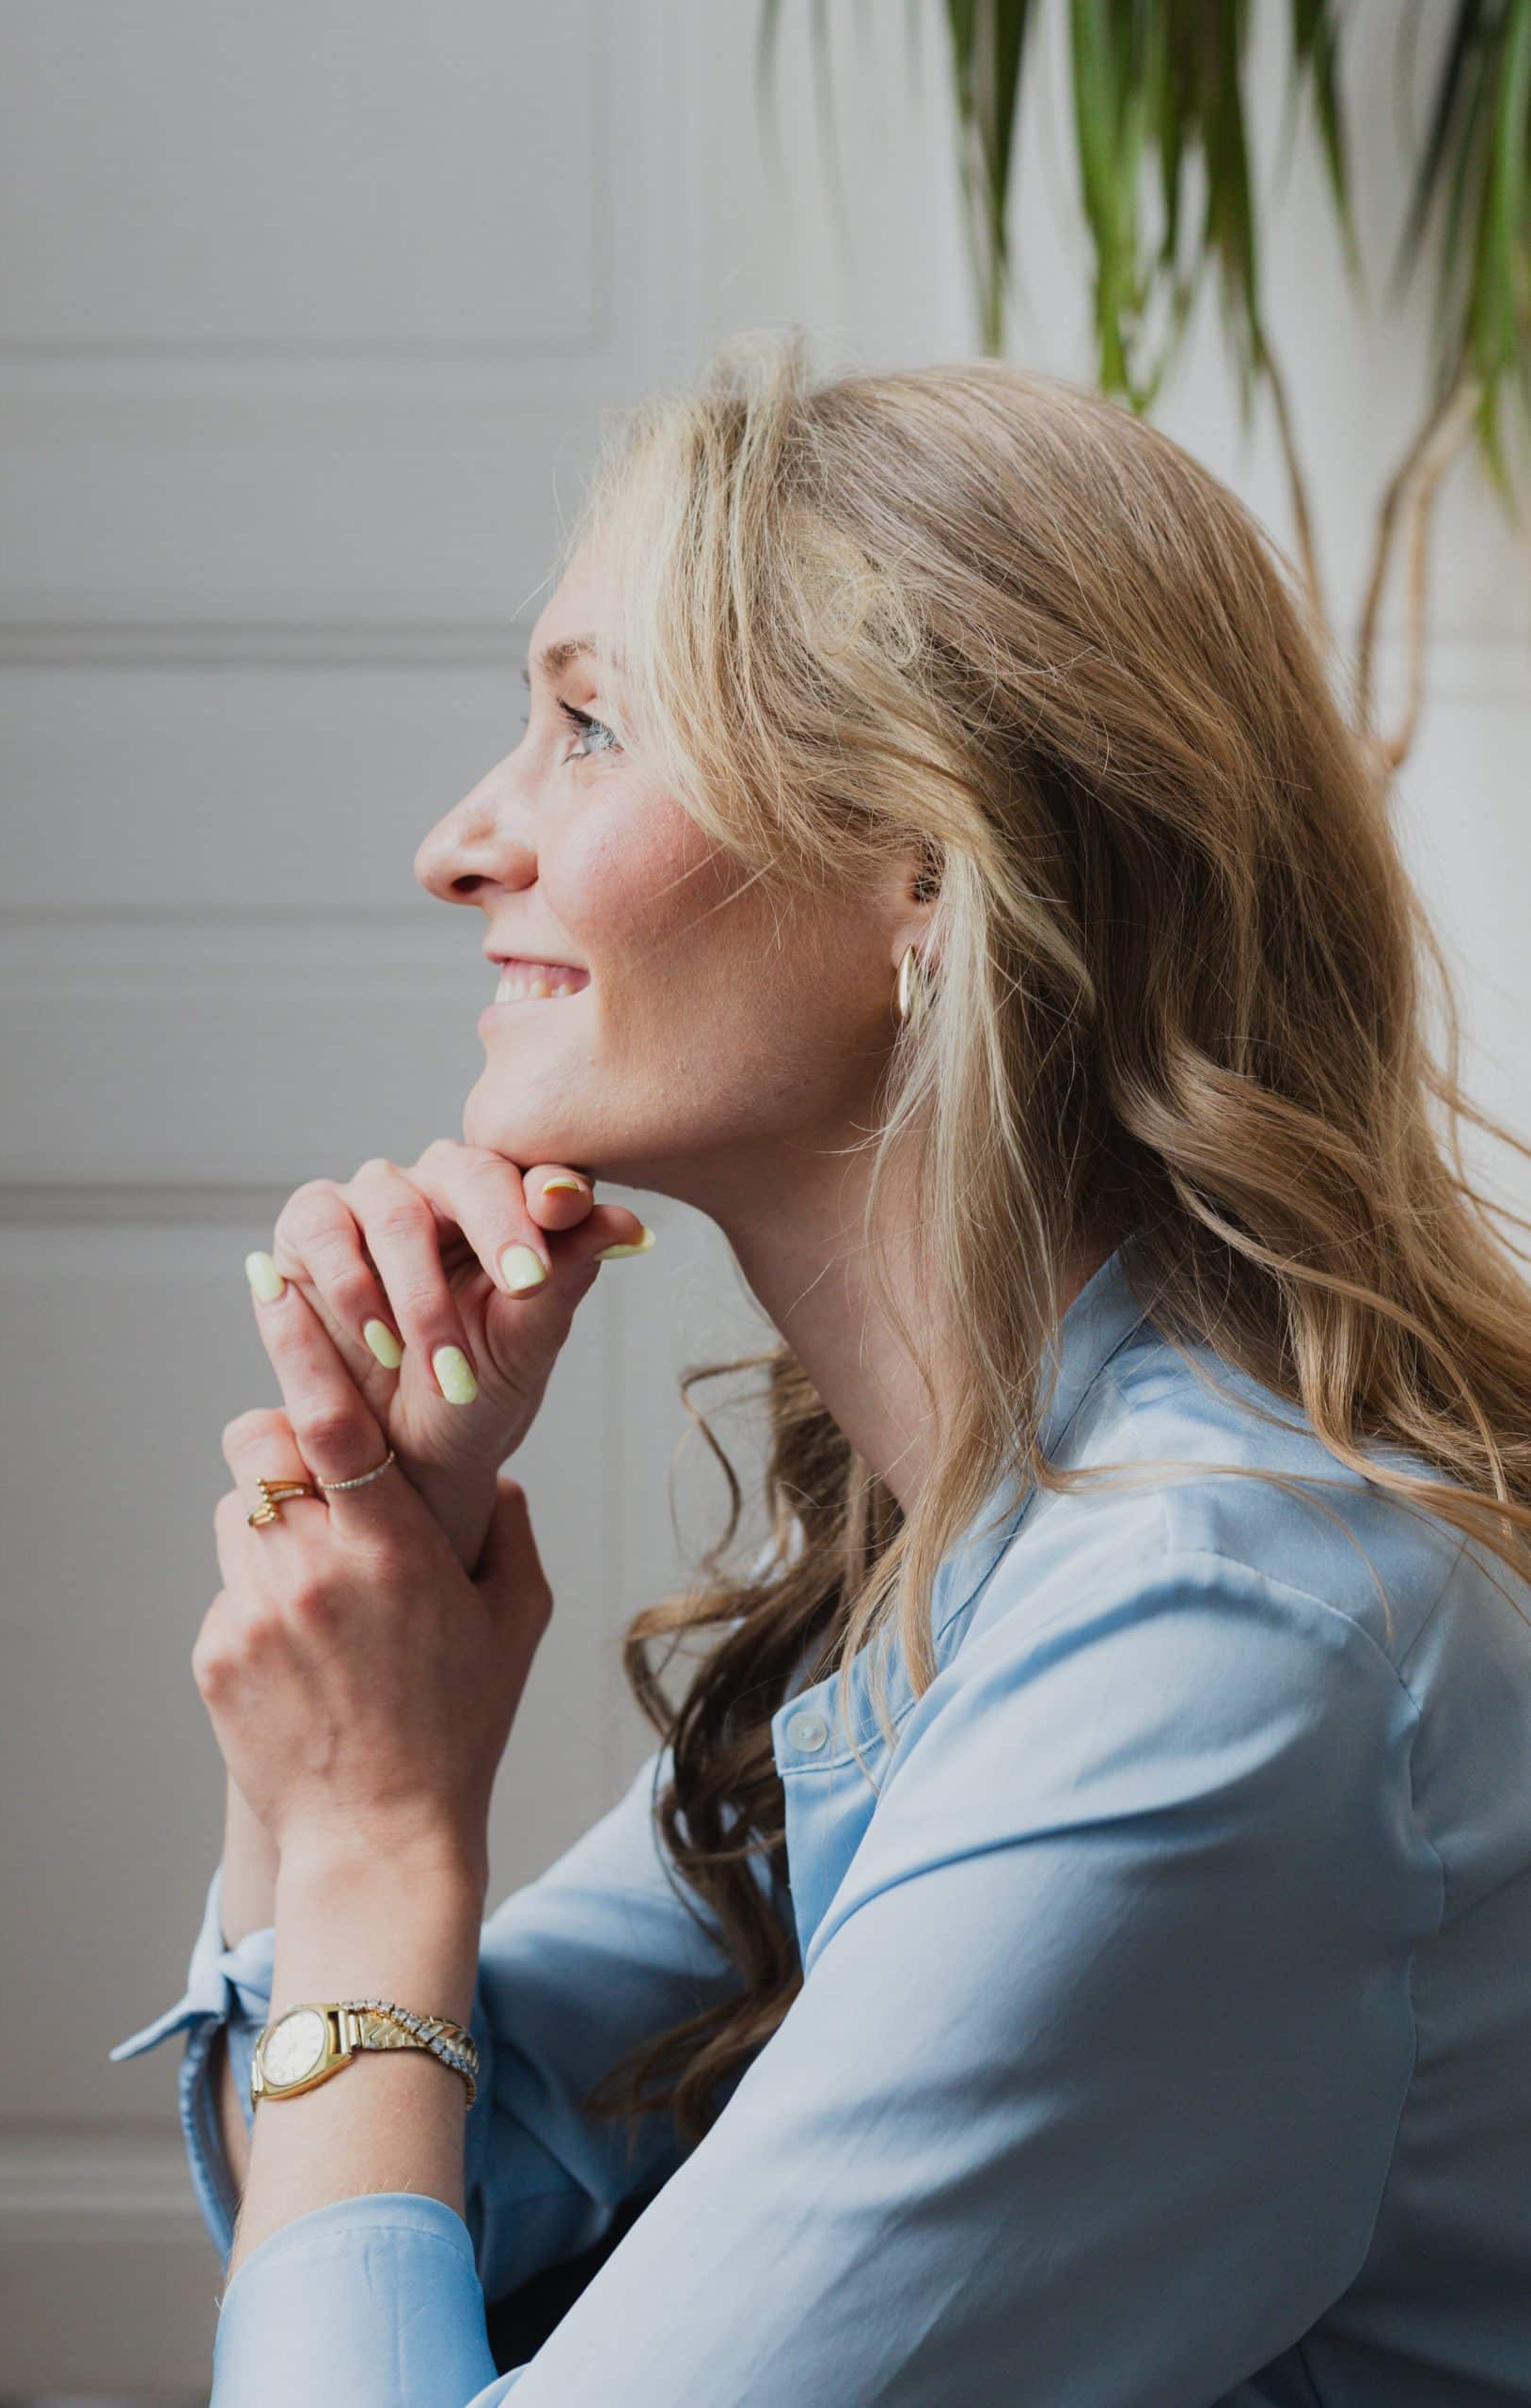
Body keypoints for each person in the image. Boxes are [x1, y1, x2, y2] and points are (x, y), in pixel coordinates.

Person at [110, 330, 1531, 2403]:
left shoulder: (1217, 1643)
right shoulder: (974, 1525)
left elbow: (355, 2171)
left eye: (589, 726)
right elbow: (410, 2195)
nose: (458, 842)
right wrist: (361, 1611)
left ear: (926, 870)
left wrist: (368, 1826)